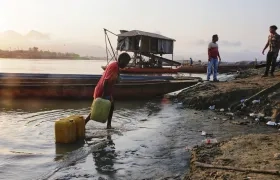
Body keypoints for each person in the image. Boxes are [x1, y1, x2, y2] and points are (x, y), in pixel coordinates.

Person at [85, 53, 130, 129]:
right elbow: (106, 81)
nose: (126, 65)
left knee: (109, 107)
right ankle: (85, 123)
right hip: (103, 90)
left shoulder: (116, 66)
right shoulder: (114, 67)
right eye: (126, 63)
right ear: (121, 60)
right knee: (97, 109)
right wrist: (104, 95)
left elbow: (112, 79)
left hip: (106, 90)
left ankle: (108, 125)